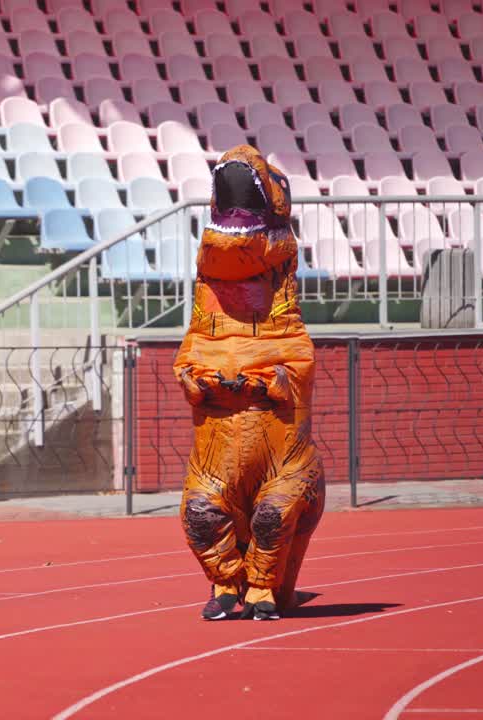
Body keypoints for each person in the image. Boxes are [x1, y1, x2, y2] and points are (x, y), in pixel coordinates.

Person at [174, 144, 326, 621]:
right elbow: (187, 368)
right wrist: (199, 381)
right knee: (198, 513)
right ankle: (224, 584)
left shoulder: (291, 331)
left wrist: (266, 383)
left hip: (282, 462)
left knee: (273, 515)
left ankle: (264, 587)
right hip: (215, 463)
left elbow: (296, 369)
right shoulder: (202, 320)